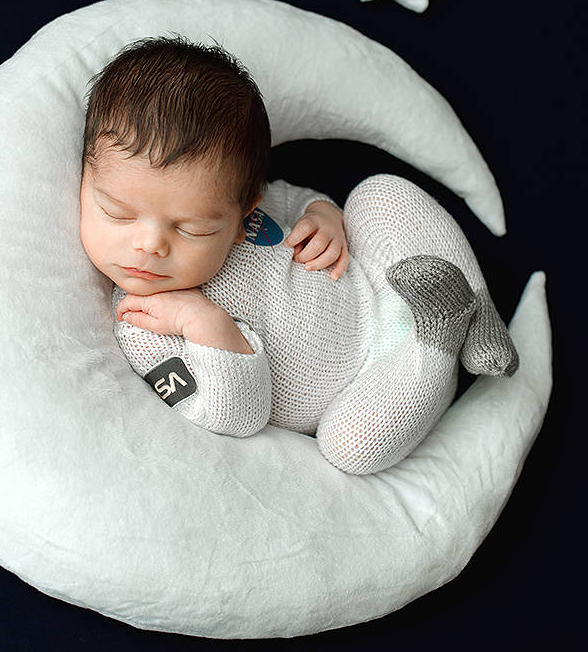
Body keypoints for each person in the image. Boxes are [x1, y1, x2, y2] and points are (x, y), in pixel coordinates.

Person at [79, 36, 518, 475]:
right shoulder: (143, 324)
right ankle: (440, 340)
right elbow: (235, 416)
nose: (150, 244)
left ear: (241, 212)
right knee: (349, 449)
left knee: (380, 193)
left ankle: (480, 319)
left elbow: (299, 200)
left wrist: (324, 215)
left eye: (192, 228)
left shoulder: (240, 205)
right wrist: (204, 324)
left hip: (380, 282)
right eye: (117, 212)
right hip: (373, 385)